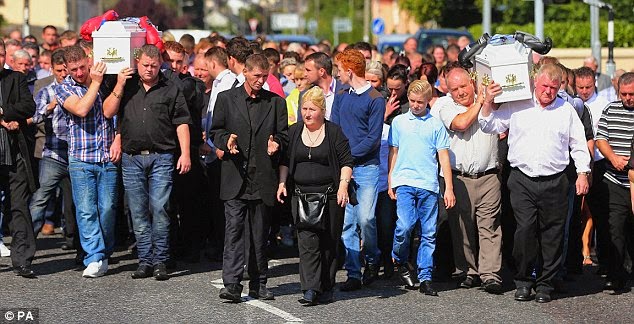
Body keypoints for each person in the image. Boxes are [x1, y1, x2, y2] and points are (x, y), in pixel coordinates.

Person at [478, 64, 591, 303]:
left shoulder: (566, 110)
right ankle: (524, 281)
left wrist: (582, 173)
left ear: (560, 87)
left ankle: (545, 284)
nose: (548, 91)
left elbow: (579, 143)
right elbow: (490, 125)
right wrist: (487, 102)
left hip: (555, 181)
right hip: (522, 180)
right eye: (544, 86)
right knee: (525, 231)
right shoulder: (518, 103)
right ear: (535, 83)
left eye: (553, 87)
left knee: (552, 235)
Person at [103, 44, 192, 280]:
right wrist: (120, 84)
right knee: (138, 212)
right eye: (145, 65)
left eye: (154, 66)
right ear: (137, 63)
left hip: (162, 156)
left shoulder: (171, 89)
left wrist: (185, 153)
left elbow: (181, 123)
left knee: (160, 209)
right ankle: (145, 260)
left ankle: (161, 261)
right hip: (132, 158)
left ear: (160, 64)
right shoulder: (127, 85)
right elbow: (108, 112)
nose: (149, 70)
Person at [211, 53, 289, 302]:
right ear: (245, 72)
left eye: (264, 77)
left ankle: (259, 282)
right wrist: (226, 141)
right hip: (236, 175)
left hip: (263, 177)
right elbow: (216, 131)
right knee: (233, 231)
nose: (260, 81)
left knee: (260, 234)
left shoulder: (276, 102)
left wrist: (276, 143)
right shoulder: (226, 99)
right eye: (257, 76)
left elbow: (284, 135)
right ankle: (232, 284)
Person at [276, 86, 353, 305]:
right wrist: (282, 183)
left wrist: (342, 187)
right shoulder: (294, 131)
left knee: (329, 242)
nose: (307, 114)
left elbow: (347, 162)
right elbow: (284, 161)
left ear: (322, 110)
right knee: (307, 242)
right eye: (304, 109)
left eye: (312, 109)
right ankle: (310, 288)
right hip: (301, 196)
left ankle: (326, 287)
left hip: (330, 196)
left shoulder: (334, 132)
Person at [55, 45, 120, 278]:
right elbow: (82, 109)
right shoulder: (63, 88)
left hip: (106, 157)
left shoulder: (105, 80)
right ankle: (94, 256)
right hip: (81, 158)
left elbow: (117, 112)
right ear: (66, 69)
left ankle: (104, 252)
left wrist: (119, 138)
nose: (80, 72)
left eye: (83, 67)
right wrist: (94, 83)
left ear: (88, 60)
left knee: (109, 209)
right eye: (74, 69)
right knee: (85, 211)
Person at [437, 67, 503, 294]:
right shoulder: (445, 107)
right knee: (462, 228)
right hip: (459, 178)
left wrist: (487, 99)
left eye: (463, 86)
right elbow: (461, 123)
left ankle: (490, 274)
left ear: (472, 82)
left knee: (490, 226)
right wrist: (480, 102)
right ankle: (468, 271)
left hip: (488, 175)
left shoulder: (489, 100)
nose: (460, 92)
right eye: (455, 89)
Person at [388, 80, 455, 296]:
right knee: (405, 226)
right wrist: (391, 179)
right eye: (412, 101)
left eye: (420, 102)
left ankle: (425, 276)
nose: (416, 105)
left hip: (428, 183)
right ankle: (399, 258)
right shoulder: (398, 122)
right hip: (405, 181)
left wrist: (449, 188)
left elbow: (443, 157)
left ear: (428, 101)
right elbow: (394, 152)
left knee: (429, 233)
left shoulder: (436, 125)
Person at [331, 48, 385, 291]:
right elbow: (335, 128)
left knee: (367, 218)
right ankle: (353, 273)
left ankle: (372, 258)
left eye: (340, 70)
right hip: (345, 168)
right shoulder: (342, 94)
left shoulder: (375, 99)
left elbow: (373, 139)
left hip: (366, 168)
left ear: (350, 71)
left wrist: (348, 156)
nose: (337, 75)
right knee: (347, 224)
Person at [29, 49, 78, 252]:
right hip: (53, 154)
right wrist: (49, 107)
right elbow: (36, 117)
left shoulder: (79, 89)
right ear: (52, 69)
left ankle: (76, 244)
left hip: (76, 153)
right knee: (40, 199)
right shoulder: (47, 90)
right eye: (59, 71)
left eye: (66, 70)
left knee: (75, 203)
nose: (63, 75)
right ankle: (26, 242)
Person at [0, 38, 38, 277]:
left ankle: (22, 259)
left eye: (1, 54)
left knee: (19, 207)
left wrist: (6, 113)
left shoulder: (15, 78)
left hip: (14, 154)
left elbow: (29, 106)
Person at [595, 72, 634, 291]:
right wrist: (613, 158)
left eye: (632, 94)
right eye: (624, 94)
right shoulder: (611, 109)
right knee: (614, 228)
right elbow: (601, 138)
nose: (628, 98)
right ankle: (616, 274)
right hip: (615, 180)